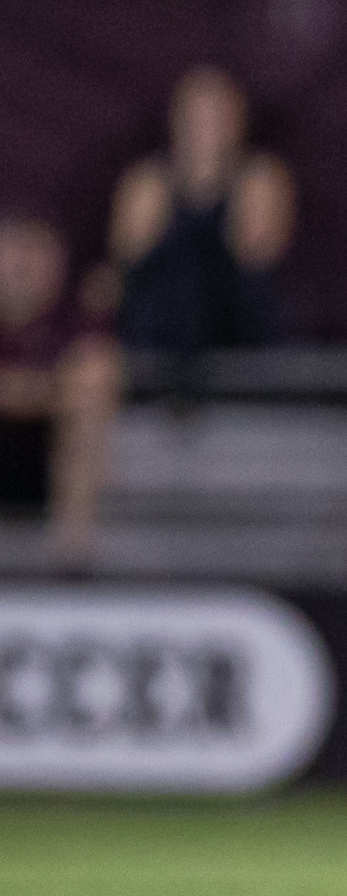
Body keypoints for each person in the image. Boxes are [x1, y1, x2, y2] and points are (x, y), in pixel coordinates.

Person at [106, 65, 293, 356]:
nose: (207, 128)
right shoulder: (147, 182)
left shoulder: (259, 178)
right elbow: (131, 263)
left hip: (235, 335)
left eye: (218, 117)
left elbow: (256, 259)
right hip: (160, 337)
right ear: (177, 121)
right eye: (198, 117)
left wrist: (216, 180)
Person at [0, 214, 121, 564]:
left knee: (88, 409)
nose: (22, 264)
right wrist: (50, 391)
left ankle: (72, 562)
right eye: (13, 250)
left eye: (34, 250)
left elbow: (97, 379)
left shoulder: (77, 319)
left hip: (46, 462)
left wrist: (21, 392)